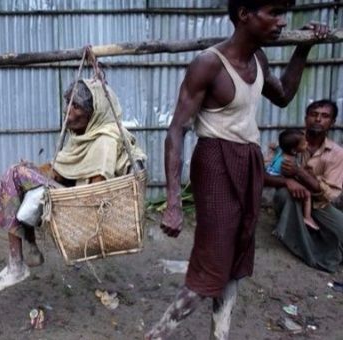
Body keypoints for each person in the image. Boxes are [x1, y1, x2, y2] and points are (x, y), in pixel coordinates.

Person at [145, 0, 329, 339]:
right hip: (215, 161)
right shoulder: (208, 65)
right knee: (212, 260)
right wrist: (172, 202)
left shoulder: (258, 58)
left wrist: (304, 47)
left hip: (248, 160)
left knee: (238, 254)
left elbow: (285, 94)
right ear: (245, 14)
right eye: (273, 12)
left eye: (282, 14)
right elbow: (176, 130)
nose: (280, 22)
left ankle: (221, 334)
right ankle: (155, 336)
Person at [0, 78, 146, 293]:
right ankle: (28, 250)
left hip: (81, 207)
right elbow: (57, 171)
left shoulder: (104, 140)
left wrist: (40, 188)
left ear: (94, 112)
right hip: (72, 196)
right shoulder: (82, 136)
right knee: (21, 170)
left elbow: (96, 192)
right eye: (67, 103)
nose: (68, 111)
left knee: (17, 171)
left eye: (76, 106)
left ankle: (17, 264)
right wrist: (1, 187)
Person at [266, 100, 343, 272]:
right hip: (292, 198)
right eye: (314, 114)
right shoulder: (289, 140)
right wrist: (287, 181)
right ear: (305, 118)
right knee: (285, 195)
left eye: (325, 116)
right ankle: (304, 247)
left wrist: (299, 172)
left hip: (319, 204)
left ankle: (307, 233)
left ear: (332, 122)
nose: (318, 119)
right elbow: (263, 174)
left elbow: (328, 195)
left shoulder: (338, 154)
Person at [266, 128, 318, 229]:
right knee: (307, 193)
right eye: (304, 144)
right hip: (277, 178)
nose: (307, 143)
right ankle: (307, 217)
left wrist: (273, 148)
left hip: (270, 172)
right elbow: (290, 175)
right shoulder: (289, 161)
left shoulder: (282, 150)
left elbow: (277, 148)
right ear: (294, 150)